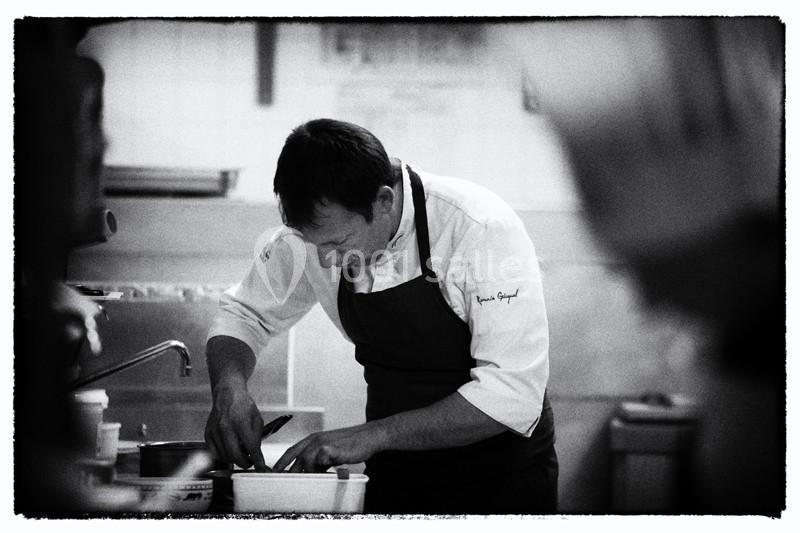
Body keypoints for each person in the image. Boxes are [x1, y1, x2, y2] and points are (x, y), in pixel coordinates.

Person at [204, 118, 557, 514]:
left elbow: (513, 394)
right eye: (311, 243)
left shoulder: (480, 229)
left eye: (338, 243)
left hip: (499, 485)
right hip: (396, 479)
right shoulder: (315, 232)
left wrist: (372, 434)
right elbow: (243, 313)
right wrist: (229, 389)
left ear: (384, 201)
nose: (324, 259)